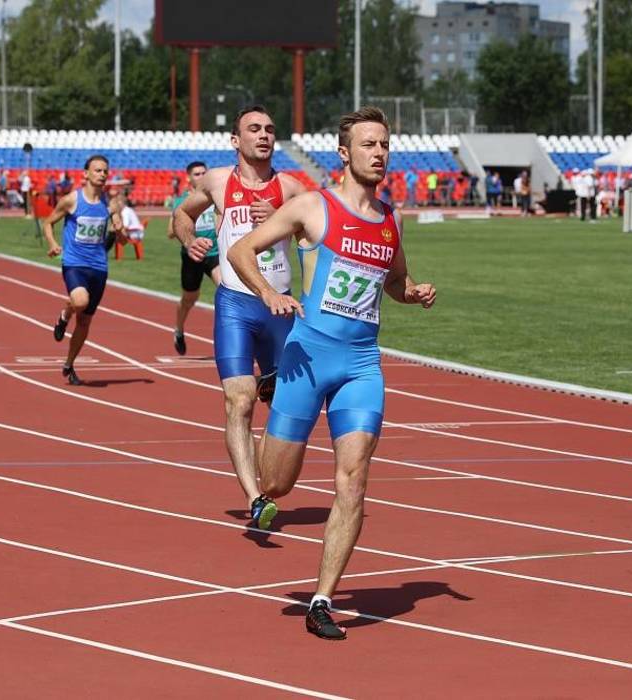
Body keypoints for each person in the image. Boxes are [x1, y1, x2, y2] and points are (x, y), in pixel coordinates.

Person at [225, 106, 437, 640]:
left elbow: (394, 280)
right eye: (368, 144)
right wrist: (271, 292)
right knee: (277, 483)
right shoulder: (312, 208)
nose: (379, 152)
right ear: (344, 153)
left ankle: (323, 598)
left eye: (384, 144)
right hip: (308, 357)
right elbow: (241, 249)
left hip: (362, 365)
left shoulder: (391, 219)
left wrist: (411, 294)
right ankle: (262, 485)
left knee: (355, 478)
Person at [173, 105, 307, 530]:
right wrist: (191, 239)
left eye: (270, 128)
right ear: (236, 140)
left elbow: (319, 233)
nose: (264, 135)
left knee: (279, 403)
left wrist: (285, 224)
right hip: (235, 305)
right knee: (239, 399)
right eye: (254, 129)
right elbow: (182, 214)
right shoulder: (216, 181)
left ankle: (268, 477)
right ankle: (254, 498)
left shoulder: (289, 187)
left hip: (280, 308)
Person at [43, 155, 124, 385]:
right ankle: (64, 314)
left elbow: (123, 241)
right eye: (97, 170)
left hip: (99, 267)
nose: (102, 174)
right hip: (74, 263)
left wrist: (119, 230)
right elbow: (48, 222)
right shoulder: (72, 200)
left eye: (105, 171)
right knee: (79, 302)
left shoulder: (110, 203)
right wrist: (52, 244)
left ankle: (69, 364)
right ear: (86, 174)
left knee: (85, 322)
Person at [167, 160, 221, 354]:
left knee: (226, 289)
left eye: (203, 173)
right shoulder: (182, 202)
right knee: (190, 298)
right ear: (188, 178)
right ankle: (179, 329)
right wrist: (185, 229)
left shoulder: (214, 196)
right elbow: (170, 232)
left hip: (214, 254)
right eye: (196, 174)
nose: (200, 176)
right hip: (192, 256)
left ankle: (229, 335)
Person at [116, 195, 145, 260]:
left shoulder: (125, 212)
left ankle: (119, 258)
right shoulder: (128, 210)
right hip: (137, 232)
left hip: (134, 233)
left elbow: (125, 225)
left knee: (118, 239)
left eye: (118, 203)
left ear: (122, 203)